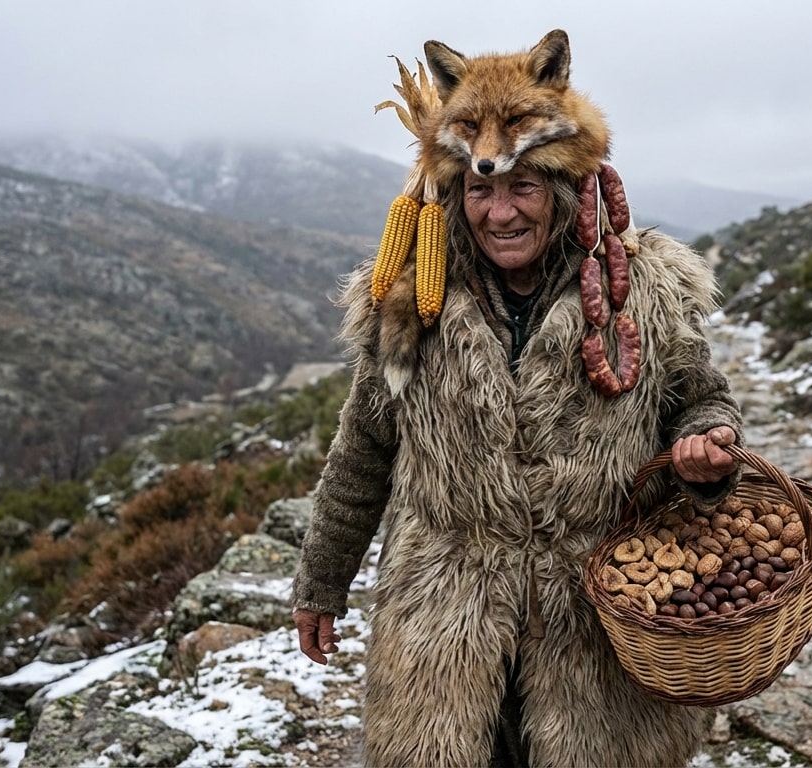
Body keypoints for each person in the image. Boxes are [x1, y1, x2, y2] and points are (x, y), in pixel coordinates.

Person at [291, 29, 744, 767]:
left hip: (598, 616)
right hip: (445, 615)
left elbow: (702, 402)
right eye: (481, 189)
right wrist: (321, 581)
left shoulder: (647, 291)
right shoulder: (410, 302)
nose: (501, 212)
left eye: (523, 187)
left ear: (561, 189)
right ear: (456, 190)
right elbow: (365, 449)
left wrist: (708, 449)